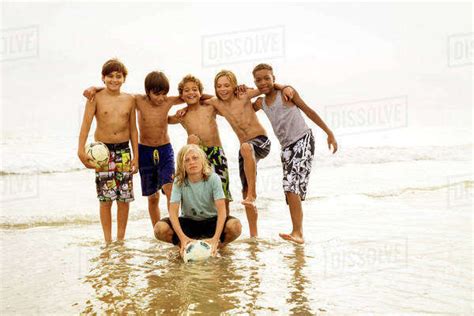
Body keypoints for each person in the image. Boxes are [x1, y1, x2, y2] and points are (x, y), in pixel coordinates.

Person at [83, 71, 187, 228]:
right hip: (144, 150)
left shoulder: (168, 101)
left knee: (170, 189)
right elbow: (115, 91)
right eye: (156, 94)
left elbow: (191, 95)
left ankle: (176, 228)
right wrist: (95, 88)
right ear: (148, 92)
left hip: (165, 149)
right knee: (152, 197)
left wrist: (208, 97)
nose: (161, 98)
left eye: (164, 94)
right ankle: (157, 230)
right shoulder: (137, 100)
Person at [252, 63, 338, 244]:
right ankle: (298, 232)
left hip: (303, 139)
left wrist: (329, 133)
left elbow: (309, 111)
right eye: (258, 80)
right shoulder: (260, 103)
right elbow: (243, 106)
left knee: (291, 185)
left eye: (267, 78)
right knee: (290, 188)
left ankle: (297, 232)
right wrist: (241, 90)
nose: (263, 82)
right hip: (286, 147)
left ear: (274, 78)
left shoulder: (286, 94)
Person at [202, 70, 294, 237]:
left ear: (235, 85)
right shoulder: (217, 103)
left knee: (245, 148)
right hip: (246, 151)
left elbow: (267, 87)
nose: (223, 89)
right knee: (244, 190)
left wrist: (285, 87)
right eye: (219, 86)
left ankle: (253, 193)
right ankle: (254, 236)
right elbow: (196, 97)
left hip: (260, 141)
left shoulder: (244, 95)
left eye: (227, 85)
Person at [77, 58, 139, 243]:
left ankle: (120, 240)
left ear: (124, 79)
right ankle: (108, 241)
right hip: (102, 154)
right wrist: (80, 151)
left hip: (124, 152)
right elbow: (86, 124)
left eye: (118, 76)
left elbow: (133, 129)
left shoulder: (130, 100)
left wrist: (135, 155)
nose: (114, 80)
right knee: (105, 198)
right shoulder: (95, 97)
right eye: (110, 76)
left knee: (124, 198)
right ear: (103, 78)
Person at [154, 144, 242, 256]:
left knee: (235, 226)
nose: (192, 162)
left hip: (211, 221)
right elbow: (173, 212)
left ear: (202, 160)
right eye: (187, 160)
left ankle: (217, 246)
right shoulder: (179, 181)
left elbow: (222, 211)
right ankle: (185, 246)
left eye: (195, 158)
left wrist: (215, 238)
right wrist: (182, 238)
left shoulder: (213, 178)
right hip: (189, 222)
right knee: (159, 228)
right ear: (182, 165)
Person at [168, 75, 233, 215]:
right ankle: (196, 218)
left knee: (223, 190)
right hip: (197, 155)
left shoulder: (210, 106)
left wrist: (203, 96)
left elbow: (222, 100)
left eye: (194, 89)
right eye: (186, 90)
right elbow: (165, 120)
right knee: (201, 189)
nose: (191, 92)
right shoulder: (182, 115)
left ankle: (225, 221)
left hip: (216, 152)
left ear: (200, 92)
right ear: (181, 95)